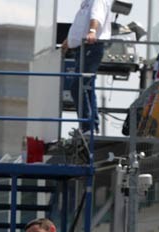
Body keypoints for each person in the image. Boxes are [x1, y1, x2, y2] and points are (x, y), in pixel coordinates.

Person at [62, 0, 113, 133]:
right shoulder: (87, 2)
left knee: (77, 86)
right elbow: (82, 23)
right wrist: (70, 40)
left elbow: (96, 16)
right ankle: (91, 125)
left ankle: (87, 127)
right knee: (87, 87)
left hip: (91, 47)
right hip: (82, 49)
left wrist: (92, 31)